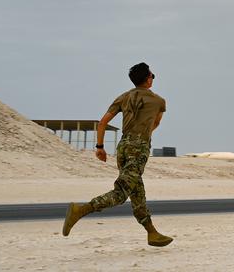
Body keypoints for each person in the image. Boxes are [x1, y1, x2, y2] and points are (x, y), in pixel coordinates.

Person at [62, 62, 173, 247]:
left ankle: (152, 233)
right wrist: (143, 136)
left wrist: (100, 147)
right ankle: (80, 210)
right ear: (147, 79)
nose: (153, 78)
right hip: (139, 148)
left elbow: (103, 122)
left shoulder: (123, 97)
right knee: (121, 193)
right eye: (152, 75)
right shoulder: (159, 101)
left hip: (123, 146)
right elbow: (156, 123)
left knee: (137, 191)